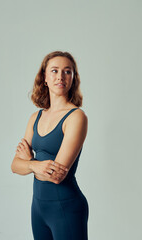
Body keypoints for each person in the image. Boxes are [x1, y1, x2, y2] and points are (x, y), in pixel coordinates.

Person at [11, 51, 89, 240]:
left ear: (73, 78)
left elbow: (57, 175)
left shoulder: (76, 117)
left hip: (67, 208)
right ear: (44, 77)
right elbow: (15, 165)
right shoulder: (35, 117)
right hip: (38, 209)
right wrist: (34, 164)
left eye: (67, 71)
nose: (60, 76)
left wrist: (28, 162)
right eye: (54, 71)